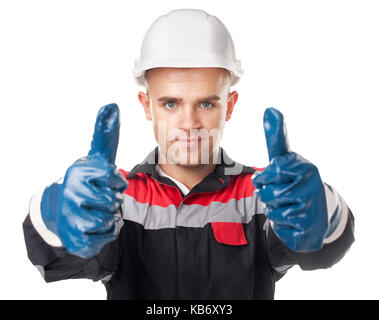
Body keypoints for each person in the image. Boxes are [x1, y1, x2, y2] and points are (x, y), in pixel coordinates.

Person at [23, 8, 355, 300]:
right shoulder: (114, 197)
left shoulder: (265, 193)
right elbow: (51, 259)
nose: (189, 123)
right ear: (147, 106)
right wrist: (58, 209)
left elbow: (323, 253)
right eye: (171, 103)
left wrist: (323, 207)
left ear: (230, 106)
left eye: (206, 103)